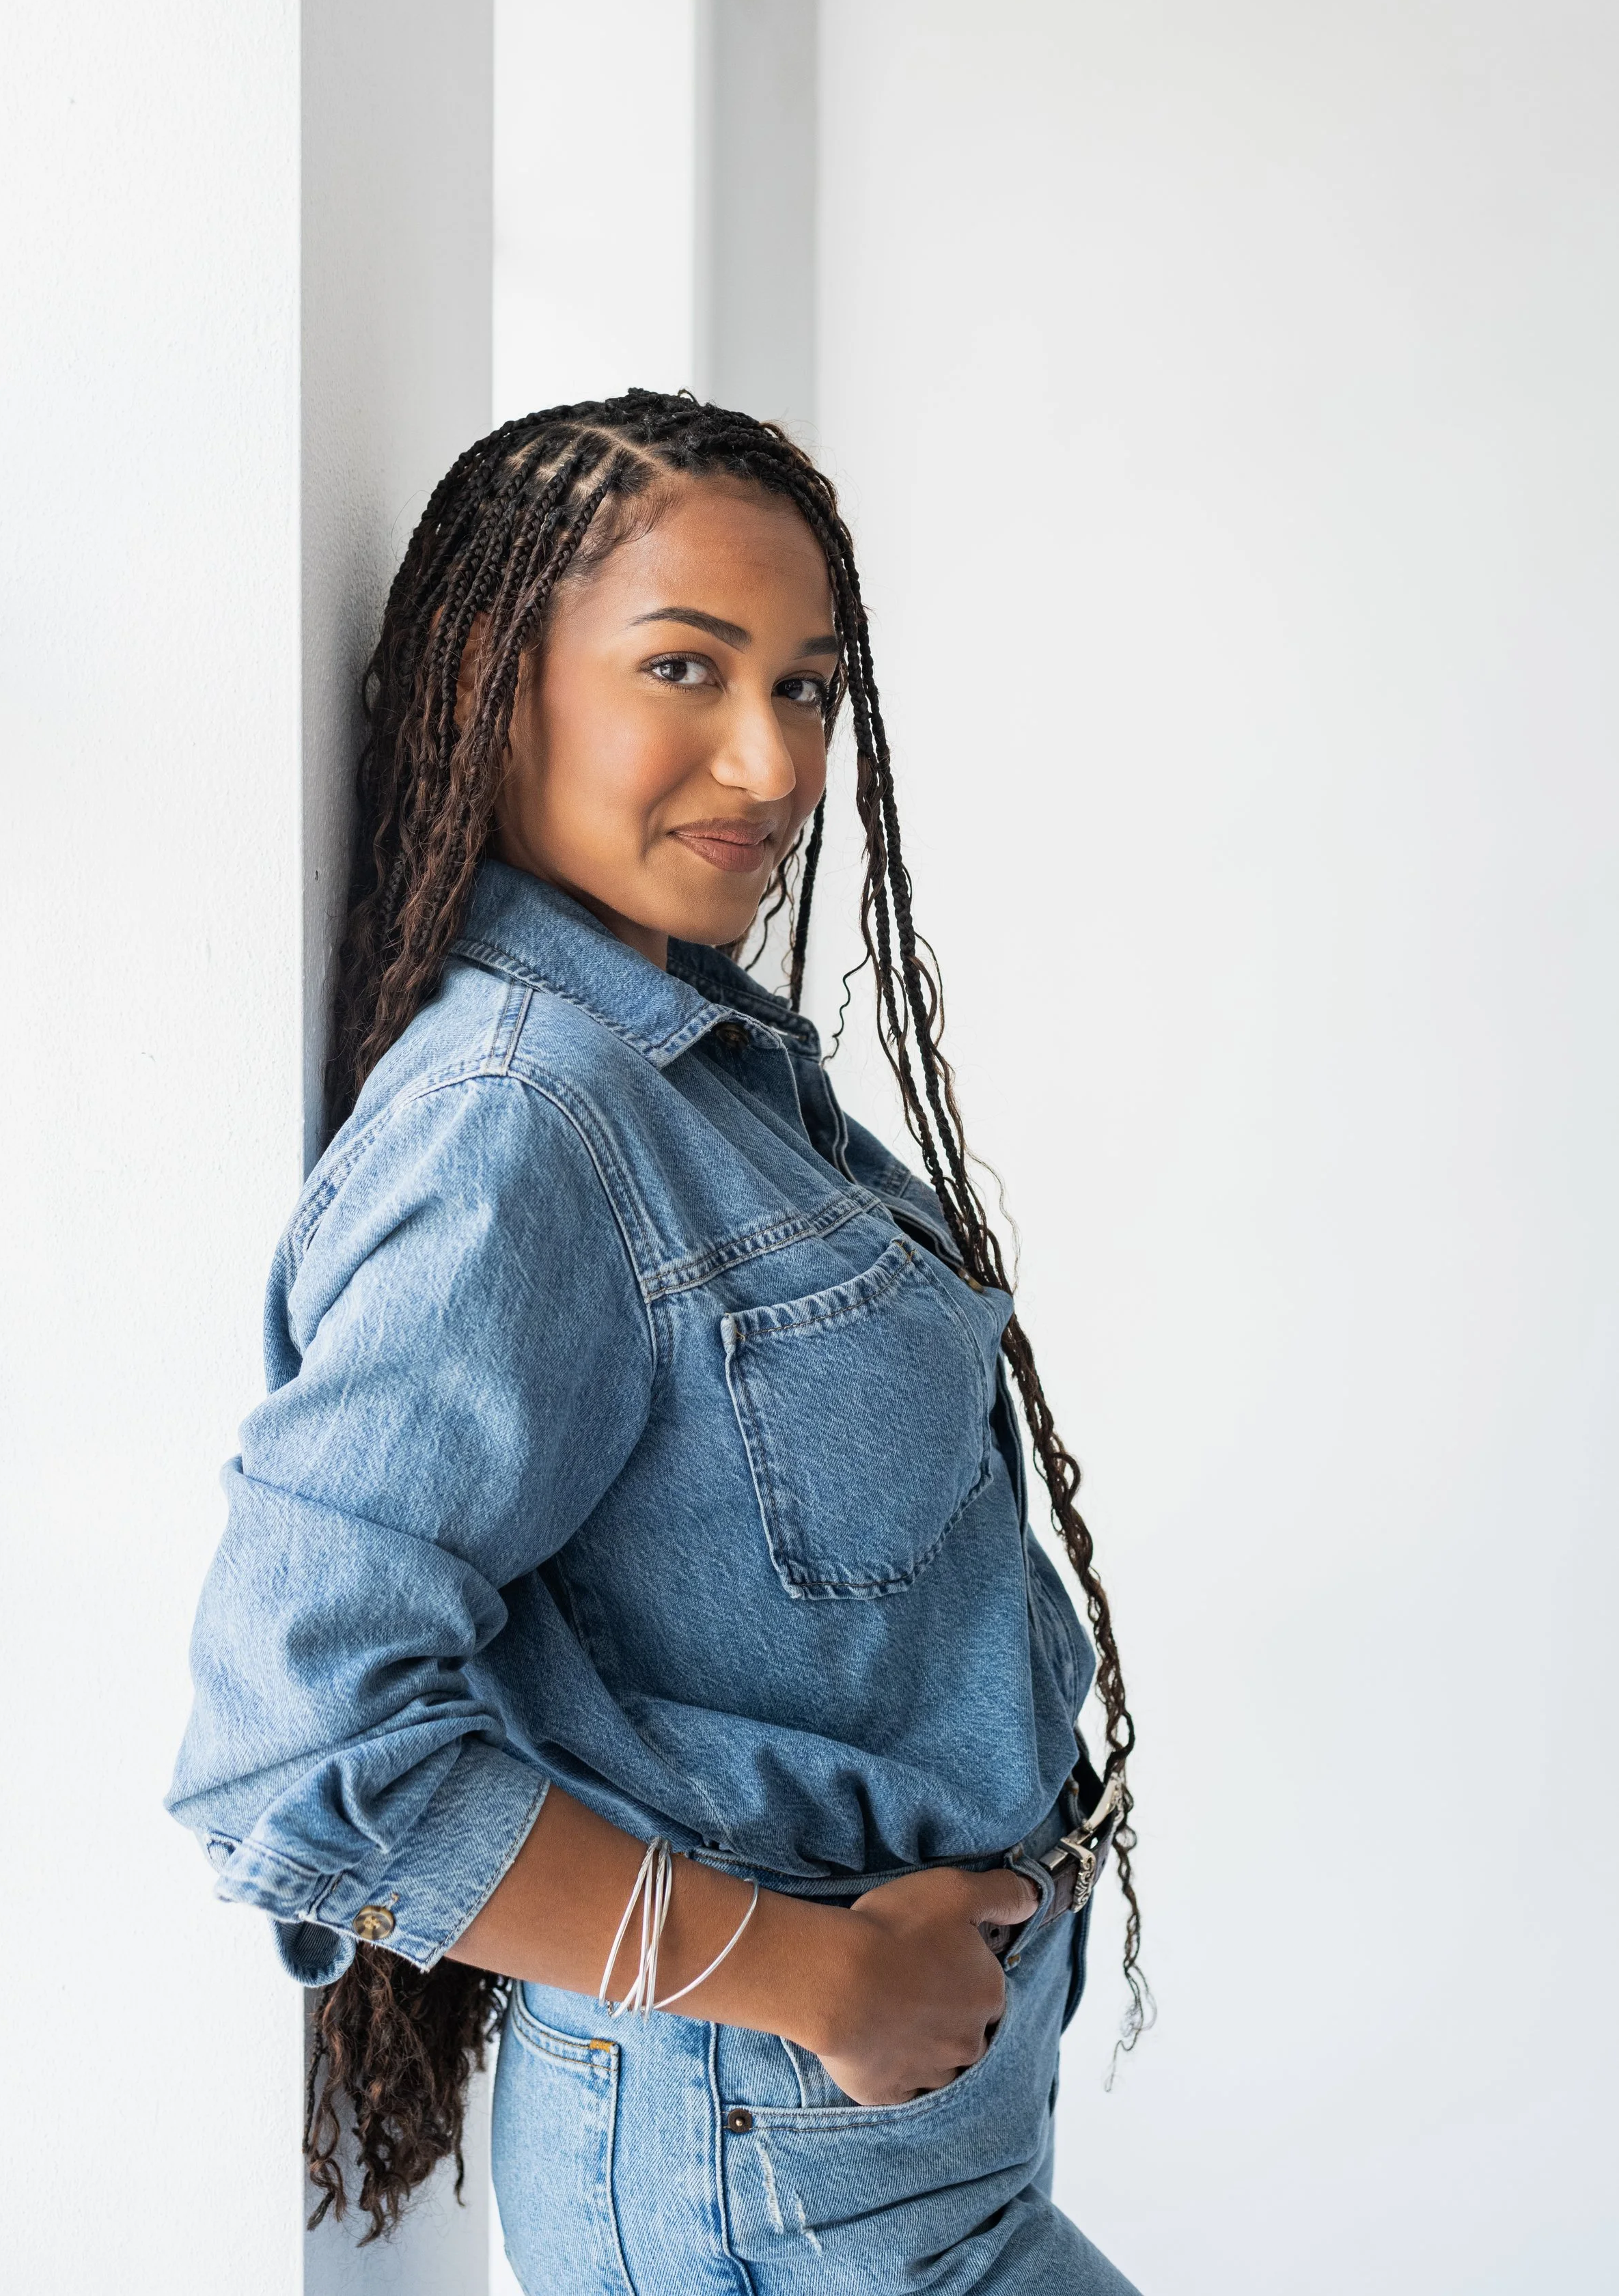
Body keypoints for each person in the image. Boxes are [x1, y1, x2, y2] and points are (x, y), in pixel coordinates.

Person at [168, 390, 1149, 2292]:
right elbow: (295, 1754)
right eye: (683, 668)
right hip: (759, 2152)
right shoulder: (518, 1122)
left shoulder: (690, 1068)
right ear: (491, 673)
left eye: (804, 686)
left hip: (889, 2147)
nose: (768, 756)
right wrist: (820, 1976)